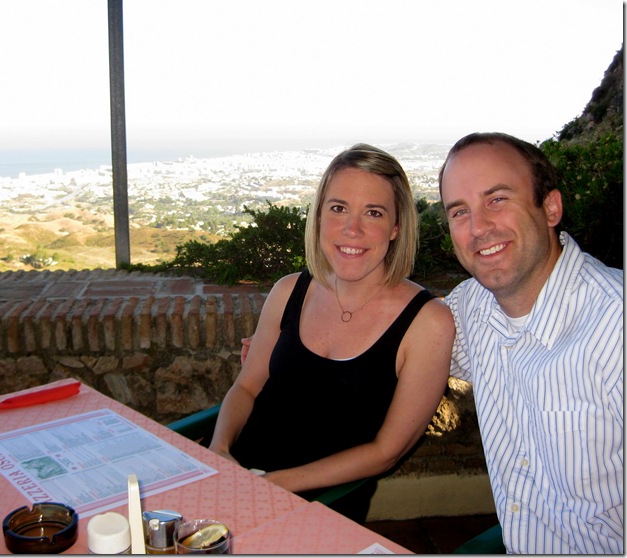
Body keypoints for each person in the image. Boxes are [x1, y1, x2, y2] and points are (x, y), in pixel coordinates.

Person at [209, 143, 454, 522]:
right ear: (319, 216)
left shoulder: (427, 323)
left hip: (323, 508)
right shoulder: (289, 292)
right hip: (236, 481)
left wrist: (273, 483)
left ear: (396, 227)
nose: (352, 229)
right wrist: (220, 450)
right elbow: (247, 386)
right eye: (338, 208)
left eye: (373, 213)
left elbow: (386, 450)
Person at [439, 132, 623, 554]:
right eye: (460, 211)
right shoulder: (471, 307)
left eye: (497, 199)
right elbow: (397, 337)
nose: (478, 228)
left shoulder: (615, 325)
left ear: (551, 207)